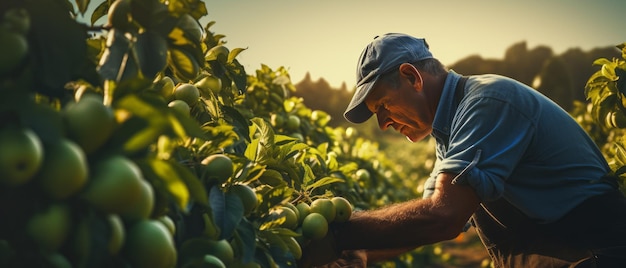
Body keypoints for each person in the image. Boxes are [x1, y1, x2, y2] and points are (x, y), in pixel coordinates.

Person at [298, 33, 626, 267]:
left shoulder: (487, 102)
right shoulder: (451, 131)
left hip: (596, 252)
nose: (383, 123)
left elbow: (443, 216)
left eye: (383, 105)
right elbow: (425, 216)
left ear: (412, 77)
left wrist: (342, 235)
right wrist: (364, 253)